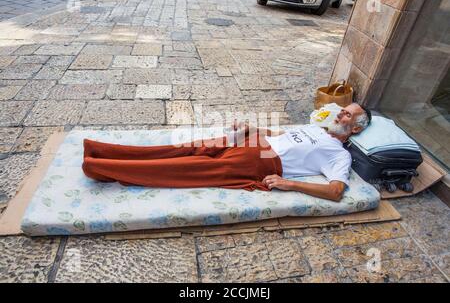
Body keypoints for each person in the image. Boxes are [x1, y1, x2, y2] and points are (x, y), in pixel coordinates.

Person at [82, 103, 371, 202]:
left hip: (262, 161)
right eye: (342, 111)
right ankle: (98, 151)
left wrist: (289, 184)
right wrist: (251, 127)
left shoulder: (339, 155)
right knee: (179, 150)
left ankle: (99, 167)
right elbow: (281, 134)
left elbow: (335, 192)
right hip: (252, 142)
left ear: (355, 129)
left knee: (184, 168)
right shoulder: (318, 130)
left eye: (346, 115)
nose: (339, 115)